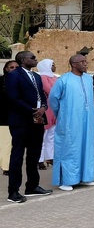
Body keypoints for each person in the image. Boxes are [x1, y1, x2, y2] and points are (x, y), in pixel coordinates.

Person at [5, 51, 53, 203]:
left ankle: (32, 186)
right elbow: (13, 98)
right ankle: (13, 191)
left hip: (37, 121)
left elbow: (42, 95)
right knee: (18, 156)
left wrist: (44, 107)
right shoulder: (14, 75)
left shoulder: (37, 76)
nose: (35, 59)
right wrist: (32, 111)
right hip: (21, 121)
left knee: (34, 154)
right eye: (32, 57)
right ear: (23, 60)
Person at [49, 55, 94, 191]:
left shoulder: (88, 79)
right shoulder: (64, 79)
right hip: (69, 120)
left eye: (86, 62)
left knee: (87, 146)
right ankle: (67, 180)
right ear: (74, 64)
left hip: (87, 120)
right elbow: (53, 98)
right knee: (69, 148)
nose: (86, 64)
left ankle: (85, 177)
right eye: (82, 62)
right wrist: (62, 114)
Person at [36, 59, 58, 170]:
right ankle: (39, 160)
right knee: (43, 136)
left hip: (55, 109)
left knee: (51, 135)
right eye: (52, 65)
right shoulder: (42, 77)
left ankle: (50, 157)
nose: (55, 67)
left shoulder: (54, 77)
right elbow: (51, 91)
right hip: (47, 108)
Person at [0, 61, 19, 176]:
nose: (14, 69)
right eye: (11, 67)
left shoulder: (21, 81)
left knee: (13, 143)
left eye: (16, 67)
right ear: (6, 69)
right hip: (3, 117)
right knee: (6, 143)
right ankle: (6, 167)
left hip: (17, 116)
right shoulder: (2, 81)